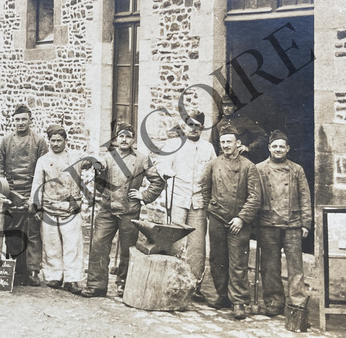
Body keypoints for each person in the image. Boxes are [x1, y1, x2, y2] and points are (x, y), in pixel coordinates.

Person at [80, 122, 165, 298]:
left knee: (127, 249)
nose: (124, 140)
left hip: (130, 211)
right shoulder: (108, 158)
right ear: (116, 139)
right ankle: (96, 285)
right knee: (98, 245)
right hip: (107, 210)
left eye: (128, 136)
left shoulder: (142, 159)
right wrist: (99, 172)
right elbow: (100, 186)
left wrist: (144, 195)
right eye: (121, 136)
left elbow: (158, 181)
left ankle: (124, 285)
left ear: (133, 139)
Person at [200, 122, 262, 319]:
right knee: (217, 259)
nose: (226, 145)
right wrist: (210, 209)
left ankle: (238, 301)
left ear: (238, 143)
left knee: (237, 262)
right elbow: (205, 188)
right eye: (223, 142)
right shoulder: (213, 164)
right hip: (217, 218)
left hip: (237, 222)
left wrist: (242, 218)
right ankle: (222, 295)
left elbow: (255, 197)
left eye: (229, 141)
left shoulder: (248, 167)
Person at [154, 112, 217, 302]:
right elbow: (161, 163)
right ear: (184, 126)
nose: (193, 128)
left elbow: (214, 170)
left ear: (202, 128)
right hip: (178, 199)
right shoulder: (174, 145)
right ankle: (172, 282)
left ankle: (194, 284)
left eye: (197, 125)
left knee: (197, 245)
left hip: (198, 201)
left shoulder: (208, 148)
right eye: (190, 125)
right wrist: (167, 172)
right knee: (175, 240)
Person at [256, 130, 312, 317]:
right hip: (268, 223)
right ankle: (273, 302)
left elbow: (305, 197)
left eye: (282, 146)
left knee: (295, 266)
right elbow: (254, 197)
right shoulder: (259, 169)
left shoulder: (297, 170)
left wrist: (306, 223)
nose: (278, 150)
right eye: (275, 146)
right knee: (270, 266)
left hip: (293, 224)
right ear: (269, 148)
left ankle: (297, 302)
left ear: (287, 149)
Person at [0, 104, 49, 286]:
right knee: (12, 231)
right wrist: (5, 188)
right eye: (17, 119)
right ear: (13, 121)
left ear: (30, 121)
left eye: (24, 119)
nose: (20, 123)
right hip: (11, 192)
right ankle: (15, 269)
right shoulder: (6, 141)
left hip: (31, 191)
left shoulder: (39, 142)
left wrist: (35, 195)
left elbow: (44, 168)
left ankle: (33, 271)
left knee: (33, 233)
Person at [30, 125, 85, 294]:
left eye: (59, 140)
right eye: (52, 140)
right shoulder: (43, 160)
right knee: (51, 243)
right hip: (49, 207)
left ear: (65, 141)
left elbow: (90, 166)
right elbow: (37, 184)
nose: (55, 144)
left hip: (70, 207)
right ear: (49, 141)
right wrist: (37, 207)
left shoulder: (75, 158)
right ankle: (54, 275)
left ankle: (72, 279)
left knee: (72, 244)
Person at [210, 94, 268, 162]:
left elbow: (263, 135)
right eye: (224, 105)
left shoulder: (244, 120)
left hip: (241, 158)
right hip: (223, 160)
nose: (226, 108)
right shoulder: (218, 123)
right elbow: (214, 145)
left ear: (235, 106)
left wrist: (249, 148)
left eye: (229, 105)